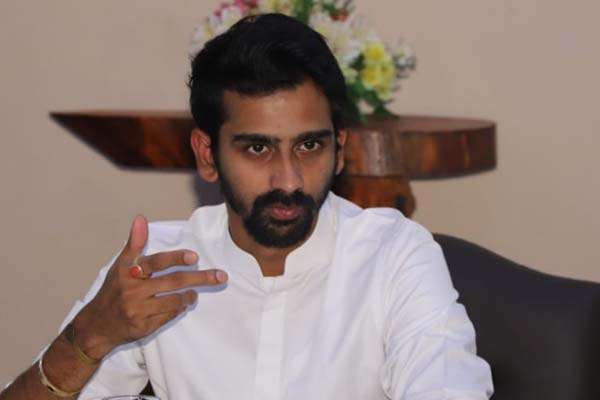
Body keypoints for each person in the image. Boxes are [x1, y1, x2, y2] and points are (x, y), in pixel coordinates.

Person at [1, 13, 494, 400]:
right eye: (258, 148)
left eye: (309, 146)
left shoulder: (394, 255)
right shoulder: (157, 266)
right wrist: (90, 337)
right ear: (207, 154)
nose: (289, 180)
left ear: (340, 148)